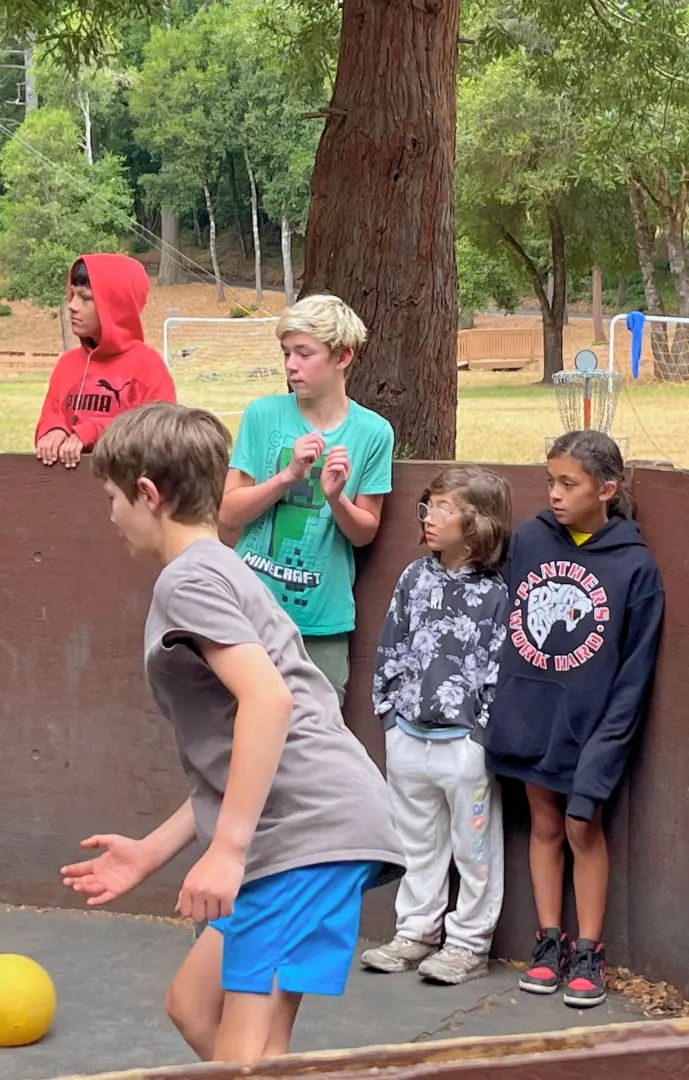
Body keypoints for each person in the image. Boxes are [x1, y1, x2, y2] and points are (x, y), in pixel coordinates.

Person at [60, 402, 404, 1064]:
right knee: (193, 1008)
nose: (108, 514)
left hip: (306, 831)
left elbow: (269, 704)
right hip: (292, 825)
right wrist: (153, 853)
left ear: (148, 494)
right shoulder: (219, 567)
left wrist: (228, 850)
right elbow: (236, 750)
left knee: (247, 1053)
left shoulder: (191, 579)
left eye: (111, 496)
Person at [481, 430, 664, 1009]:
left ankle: (589, 949)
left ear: (607, 490)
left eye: (569, 483)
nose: (555, 494)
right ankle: (548, 940)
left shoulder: (637, 567)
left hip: (592, 732)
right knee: (544, 824)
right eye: (550, 481)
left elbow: (633, 673)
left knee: (585, 827)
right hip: (533, 720)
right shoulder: (531, 540)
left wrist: (607, 739)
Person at [361, 466, 511, 985]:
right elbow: (392, 645)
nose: (429, 518)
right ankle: (416, 930)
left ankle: (468, 943)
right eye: (427, 506)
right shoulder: (414, 577)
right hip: (409, 735)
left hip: (464, 745)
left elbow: (499, 667)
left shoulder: (497, 595)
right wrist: (390, 719)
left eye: (444, 508)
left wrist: (479, 736)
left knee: (474, 845)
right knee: (416, 841)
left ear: (478, 522)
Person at [219, 294, 394, 706]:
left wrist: (337, 499)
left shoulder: (373, 433)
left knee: (318, 746)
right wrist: (288, 477)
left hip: (320, 622)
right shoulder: (262, 415)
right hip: (248, 612)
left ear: (343, 357)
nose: (291, 365)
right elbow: (229, 514)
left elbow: (365, 531)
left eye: (304, 353)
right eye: (286, 353)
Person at [34, 255, 176, 469]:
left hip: (128, 493)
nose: (72, 305)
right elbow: (51, 413)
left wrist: (93, 431)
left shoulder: (148, 366)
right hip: (65, 491)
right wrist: (53, 429)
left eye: (85, 298)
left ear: (116, 306)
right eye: (73, 294)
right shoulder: (67, 364)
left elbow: (161, 434)